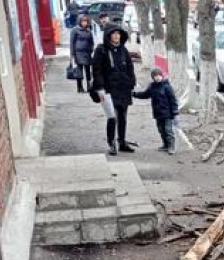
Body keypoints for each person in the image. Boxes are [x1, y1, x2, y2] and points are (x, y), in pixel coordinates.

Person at [91, 26, 136, 156]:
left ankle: (122, 142)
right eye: (114, 34)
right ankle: (111, 143)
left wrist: (131, 82)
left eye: (118, 34)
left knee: (122, 117)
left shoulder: (123, 50)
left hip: (123, 88)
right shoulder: (101, 50)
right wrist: (99, 88)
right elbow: (97, 70)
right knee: (112, 117)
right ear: (108, 35)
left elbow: (130, 67)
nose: (117, 36)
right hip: (108, 90)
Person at [133, 68, 179, 155]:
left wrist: (175, 112)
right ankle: (165, 145)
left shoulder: (167, 87)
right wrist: (134, 94)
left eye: (159, 76)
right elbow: (145, 94)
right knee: (161, 130)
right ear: (153, 78)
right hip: (158, 113)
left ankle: (171, 147)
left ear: (162, 76)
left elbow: (173, 100)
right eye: (155, 76)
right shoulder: (152, 87)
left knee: (168, 130)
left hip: (168, 114)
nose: (157, 78)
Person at [69, 14, 94, 93]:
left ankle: (89, 86)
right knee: (79, 71)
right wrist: (72, 54)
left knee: (88, 71)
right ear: (79, 21)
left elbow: (91, 41)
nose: (84, 23)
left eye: (86, 21)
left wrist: (92, 49)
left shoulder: (88, 30)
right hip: (78, 53)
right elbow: (72, 42)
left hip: (87, 53)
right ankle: (79, 87)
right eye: (83, 21)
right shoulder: (75, 30)